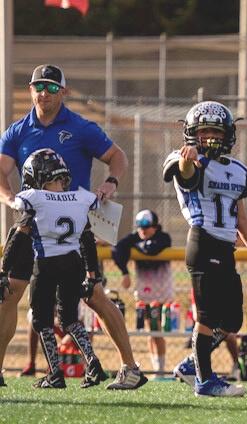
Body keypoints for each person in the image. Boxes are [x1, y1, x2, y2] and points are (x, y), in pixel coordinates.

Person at [0, 64, 145, 389]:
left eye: (52, 87)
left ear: (63, 92)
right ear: (30, 90)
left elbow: (117, 156)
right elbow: (1, 169)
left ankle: (130, 367)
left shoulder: (81, 127)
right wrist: (9, 199)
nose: (44, 93)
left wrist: (111, 182)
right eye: (39, 86)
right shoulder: (17, 130)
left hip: (71, 232)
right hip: (31, 227)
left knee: (94, 295)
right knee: (9, 293)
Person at [164, 100, 247, 397]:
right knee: (207, 317)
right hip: (203, 240)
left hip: (225, 247)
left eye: (216, 132)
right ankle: (205, 380)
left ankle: (191, 365)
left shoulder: (236, 170)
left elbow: (241, 217)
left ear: (228, 135)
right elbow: (187, 176)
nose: (210, 137)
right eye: (204, 131)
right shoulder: (186, 159)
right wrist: (188, 159)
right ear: (192, 134)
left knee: (232, 320)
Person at [12, 149, 105, 388]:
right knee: (70, 319)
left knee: (41, 321)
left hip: (45, 264)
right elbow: (87, 240)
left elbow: (19, 237)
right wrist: (92, 275)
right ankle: (93, 362)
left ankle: (54, 373)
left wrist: (3, 270)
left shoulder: (34, 198)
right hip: (73, 263)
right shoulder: (80, 198)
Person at [112, 209, 172, 378]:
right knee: (150, 330)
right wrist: (125, 272)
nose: (142, 230)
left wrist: (135, 246)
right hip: (144, 293)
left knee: (156, 330)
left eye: (146, 226)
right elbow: (117, 249)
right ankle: (156, 369)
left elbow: (152, 249)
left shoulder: (163, 237)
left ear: (155, 226)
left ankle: (160, 370)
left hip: (161, 292)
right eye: (139, 226)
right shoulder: (135, 238)